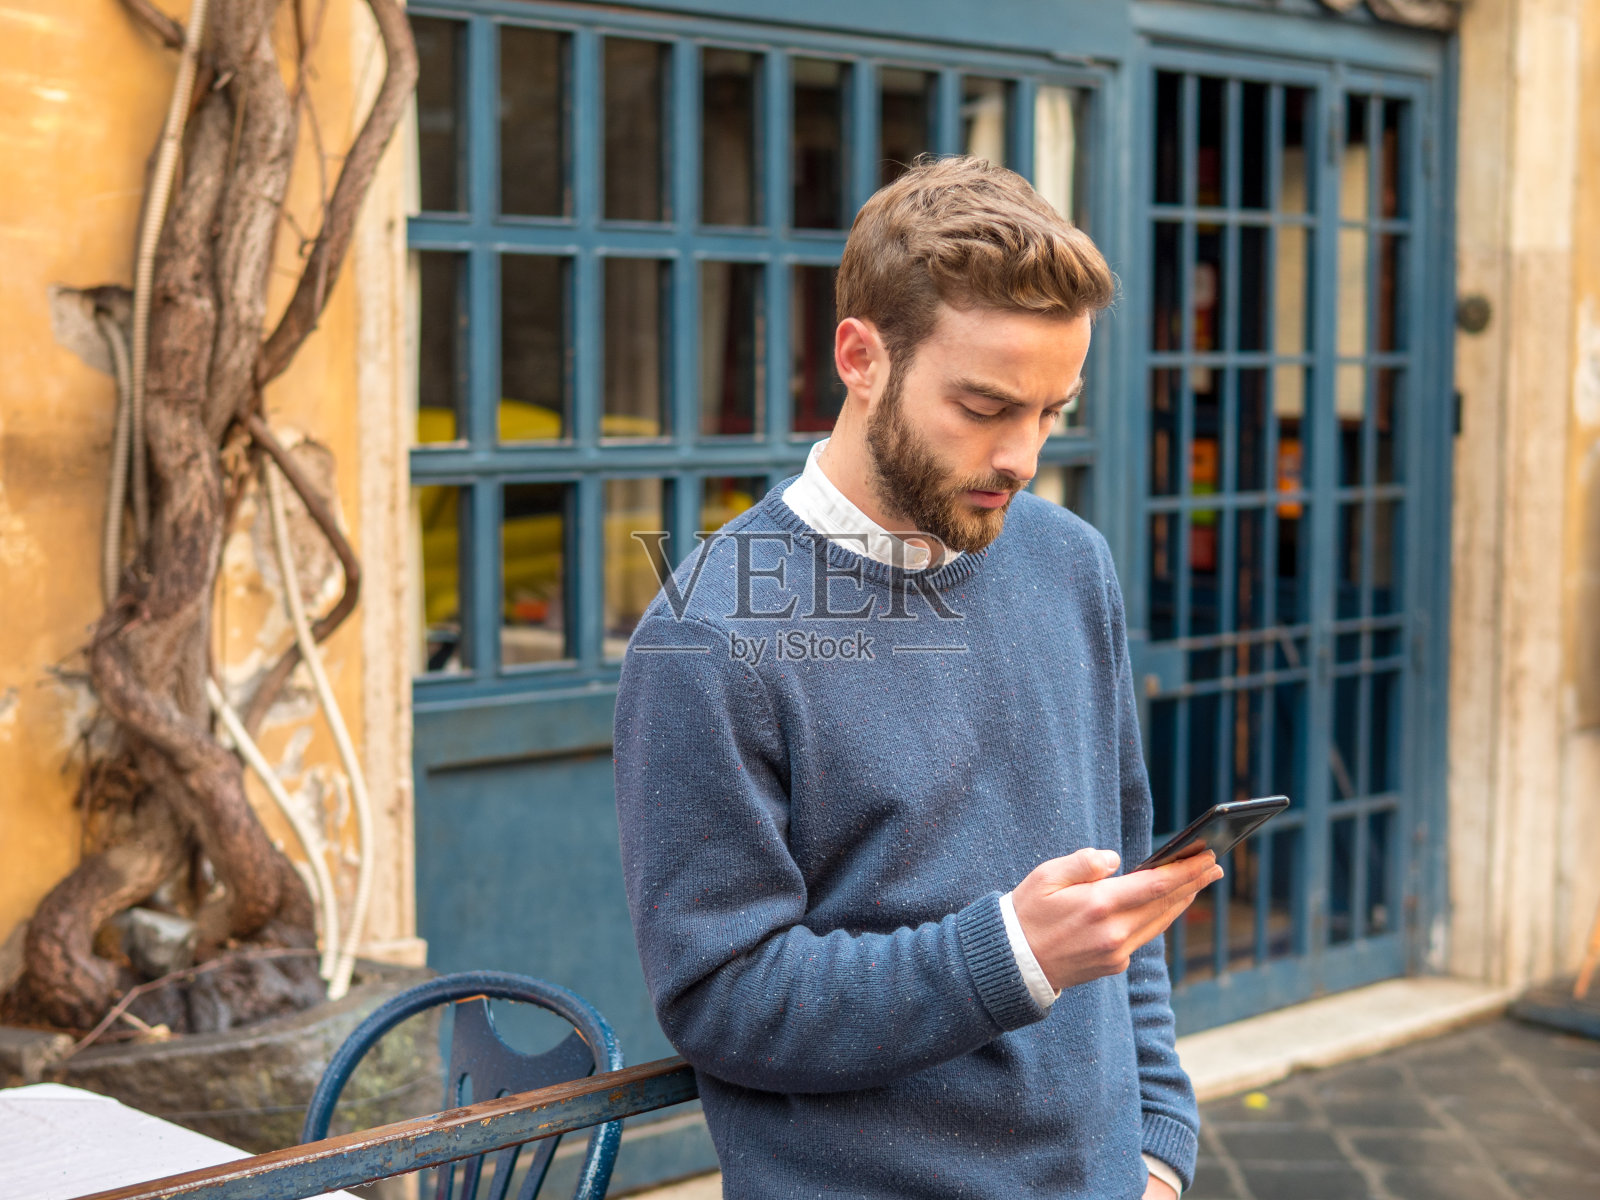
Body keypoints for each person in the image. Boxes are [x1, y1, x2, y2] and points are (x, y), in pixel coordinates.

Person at [613, 155, 1221, 1199]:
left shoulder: (1069, 561)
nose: (1021, 456)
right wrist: (1010, 954)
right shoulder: (710, 631)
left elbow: (1120, 894)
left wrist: (1157, 1140)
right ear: (860, 356)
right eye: (983, 406)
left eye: (1050, 412)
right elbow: (720, 999)